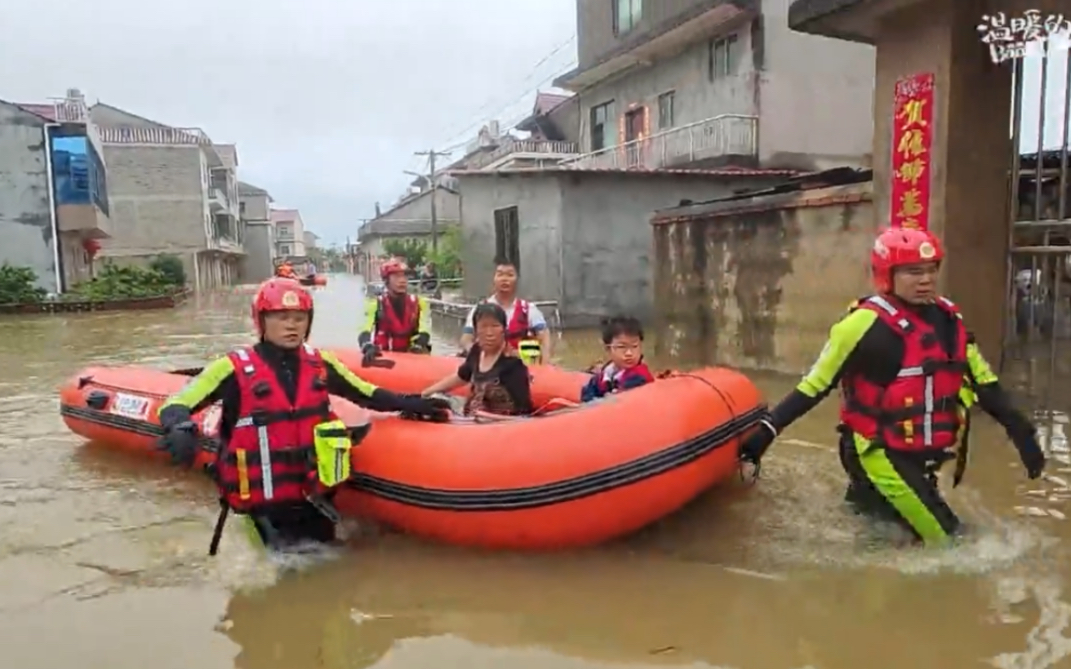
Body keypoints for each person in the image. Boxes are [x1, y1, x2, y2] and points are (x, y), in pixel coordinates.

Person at [739, 227, 1046, 545]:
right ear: (887, 275)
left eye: (930, 270)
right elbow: (814, 386)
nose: (925, 279)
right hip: (880, 450)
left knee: (877, 531)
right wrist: (764, 436)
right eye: (913, 272)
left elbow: (986, 384)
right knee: (952, 543)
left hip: (920, 452)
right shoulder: (860, 326)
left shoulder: (949, 320)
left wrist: (1022, 433)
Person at [156, 277, 449, 553]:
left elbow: (366, 393)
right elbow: (177, 402)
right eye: (281, 318)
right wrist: (179, 425)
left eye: (299, 318)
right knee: (280, 574)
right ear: (261, 321)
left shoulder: (320, 363)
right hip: (263, 506)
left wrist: (412, 402)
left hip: (314, 498)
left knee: (326, 574)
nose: (291, 326)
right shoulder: (232, 368)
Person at [424, 302, 533, 418]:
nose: (489, 333)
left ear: (504, 330)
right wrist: (427, 392)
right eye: (483, 327)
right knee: (436, 400)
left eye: (495, 326)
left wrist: (487, 417)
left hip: (498, 424)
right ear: (476, 331)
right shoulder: (476, 351)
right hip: (471, 417)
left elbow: (523, 414)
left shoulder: (513, 364)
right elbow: (461, 376)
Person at [459, 258, 551, 365]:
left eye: (510, 275)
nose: (505, 279)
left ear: (517, 279)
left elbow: (544, 337)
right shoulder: (480, 309)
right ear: (494, 279)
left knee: (533, 348)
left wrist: (544, 362)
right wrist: (476, 355)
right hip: (487, 364)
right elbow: (466, 339)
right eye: (500, 274)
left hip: (519, 365)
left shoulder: (529, 310)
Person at [359, 258, 432, 365]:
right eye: (397, 277)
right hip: (385, 355)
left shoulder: (420, 303)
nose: (402, 280)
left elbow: (425, 329)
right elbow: (364, 329)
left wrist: (419, 345)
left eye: (404, 276)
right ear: (387, 280)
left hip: (411, 355)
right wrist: (367, 346)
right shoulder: (375, 304)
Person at [581, 316, 655, 402]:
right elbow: (587, 393)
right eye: (622, 347)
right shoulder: (604, 375)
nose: (629, 353)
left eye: (634, 346)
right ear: (608, 349)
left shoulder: (639, 376)